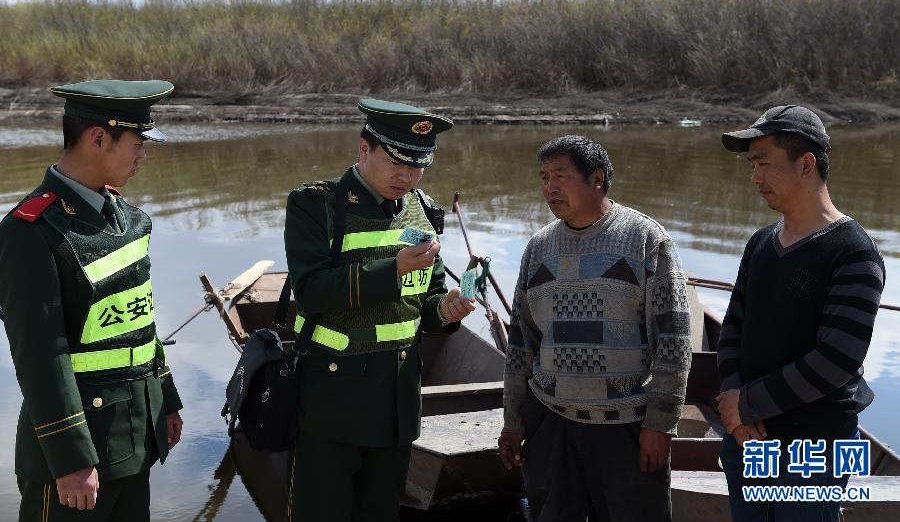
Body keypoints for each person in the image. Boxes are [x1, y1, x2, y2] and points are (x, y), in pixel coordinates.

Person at [283, 98, 477, 521]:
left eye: (417, 166)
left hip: (397, 405)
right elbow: (312, 291)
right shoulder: (316, 205)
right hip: (331, 404)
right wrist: (392, 269)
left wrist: (448, 309)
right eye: (395, 162)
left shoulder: (423, 210)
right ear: (363, 149)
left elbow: (424, 304)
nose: (405, 176)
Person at [0, 80, 184, 521]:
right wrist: (71, 461)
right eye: (137, 144)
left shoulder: (129, 219)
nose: (143, 157)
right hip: (75, 464)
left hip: (134, 441)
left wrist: (168, 398)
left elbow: (140, 319)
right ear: (98, 137)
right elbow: (41, 357)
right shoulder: (30, 232)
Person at [498, 135, 692, 522]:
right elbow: (521, 342)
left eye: (560, 175)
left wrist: (660, 424)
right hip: (550, 421)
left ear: (597, 178)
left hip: (625, 427)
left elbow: (674, 340)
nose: (549, 187)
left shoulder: (644, 239)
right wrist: (512, 420)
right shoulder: (538, 248)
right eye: (543, 177)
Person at [715, 105, 885, 521]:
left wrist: (746, 404)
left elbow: (837, 360)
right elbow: (733, 326)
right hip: (748, 441)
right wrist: (736, 412)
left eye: (763, 163)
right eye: (752, 165)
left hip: (817, 448)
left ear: (806, 164)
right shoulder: (760, 243)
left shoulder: (854, 253)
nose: (755, 177)